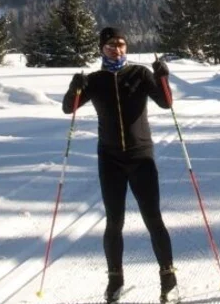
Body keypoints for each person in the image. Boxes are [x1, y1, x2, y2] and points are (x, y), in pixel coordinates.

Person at [62, 27, 177, 302]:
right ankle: (115, 280)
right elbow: (68, 108)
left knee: (153, 219)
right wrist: (74, 86)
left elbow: (166, 103)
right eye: (112, 45)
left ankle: (168, 277)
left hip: (141, 157)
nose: (118, 49)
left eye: (122, 44)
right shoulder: (94, 80)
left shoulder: (139, 74)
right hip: (110, 159)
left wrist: (162, 77)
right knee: (114, 222)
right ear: (102, 48)